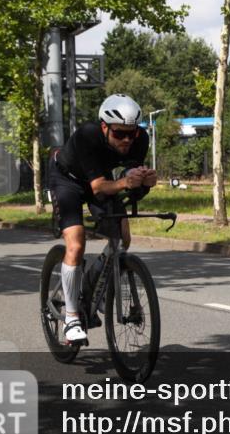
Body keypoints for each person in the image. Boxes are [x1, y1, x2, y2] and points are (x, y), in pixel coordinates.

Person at [48, 94, 157, 343]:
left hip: (102, 180)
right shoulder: (88, 136)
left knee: (122, 239)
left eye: (132, 133)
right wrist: (126, 182)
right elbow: (97, 188)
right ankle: (73, 316)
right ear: (105, 127)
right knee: (76, 242)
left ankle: (94, 284)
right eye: (120, 134)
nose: (127, 140)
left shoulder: (141, 139)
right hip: (68, 180)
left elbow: (129, 171)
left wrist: (143, 180)